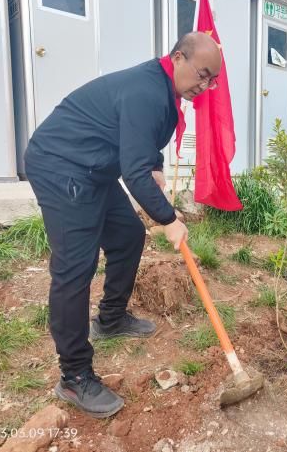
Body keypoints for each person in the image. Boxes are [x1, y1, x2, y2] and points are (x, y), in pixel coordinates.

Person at [24, 32, 221, 418]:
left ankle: (110, 319)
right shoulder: (147, 90)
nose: (204, 85)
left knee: (128, 235)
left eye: (211, 80)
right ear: (178, 58)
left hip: (94, 167)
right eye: (202, 74)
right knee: (75, 268)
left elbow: (141, 142)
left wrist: (157, 167)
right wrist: (169, 219)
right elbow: (133, 171)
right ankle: (74, 376)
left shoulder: (165, 90)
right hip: (62, 164)